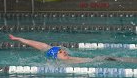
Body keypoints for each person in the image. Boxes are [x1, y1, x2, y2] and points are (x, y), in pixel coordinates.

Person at [9, 34, 137, 64]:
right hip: (101, 60)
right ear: (55, 56)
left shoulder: (61, 60)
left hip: (103, 59)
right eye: (60, 52)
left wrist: (20, 39)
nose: (64, 51)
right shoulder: (64, 63)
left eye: (62, 50)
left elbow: (42, 46)